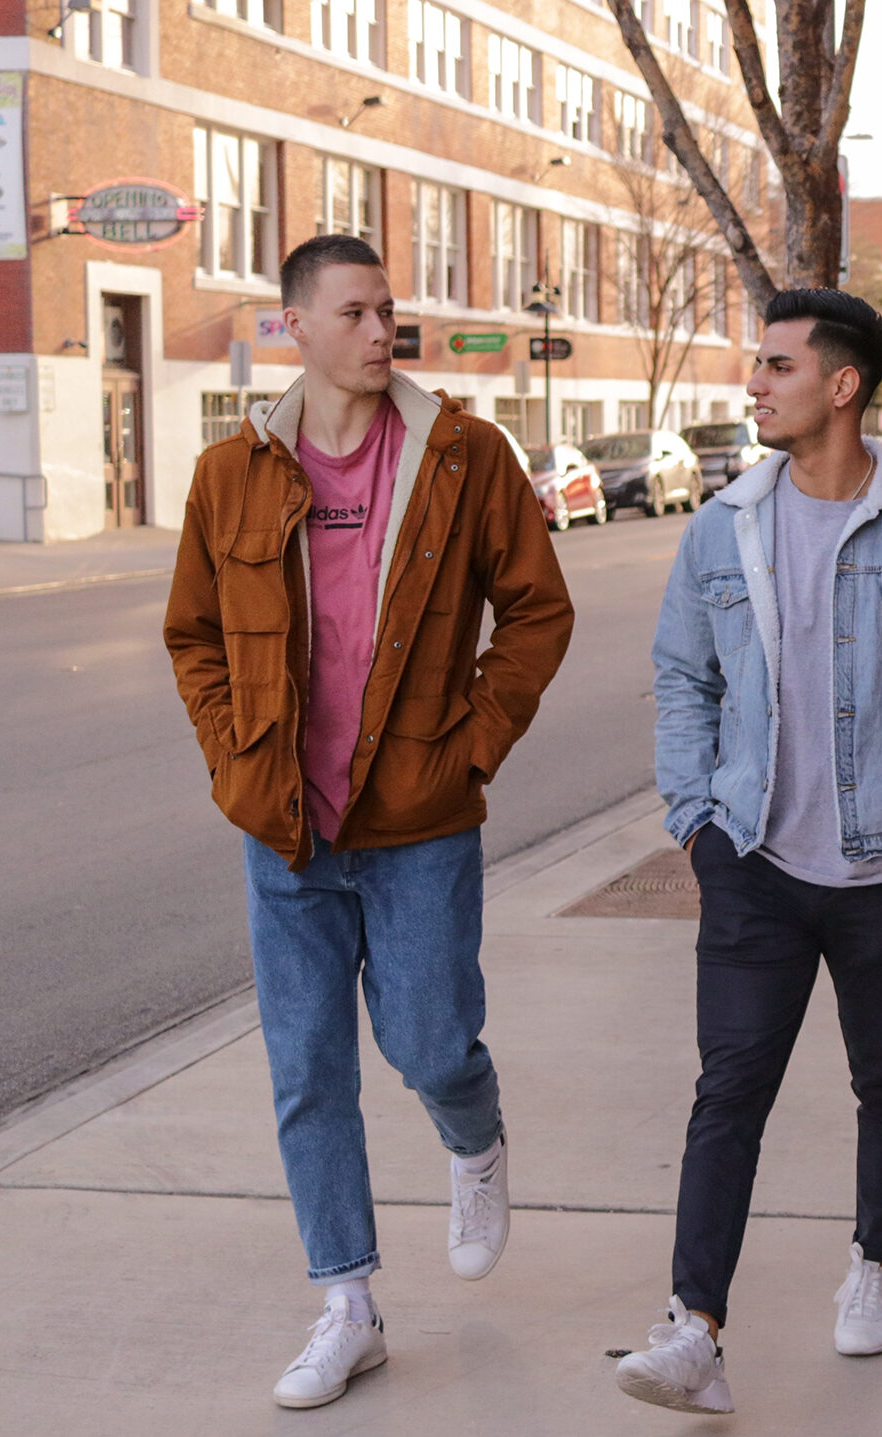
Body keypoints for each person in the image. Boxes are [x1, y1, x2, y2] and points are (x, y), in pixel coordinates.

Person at [163, 234, 573, 1409]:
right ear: (294, 324)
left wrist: (474, 743)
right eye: (353, 311)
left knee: (432, 1044)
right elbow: (193, 634)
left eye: (387, 310)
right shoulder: (231, 473)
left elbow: (537, 613)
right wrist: (234, 752)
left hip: (419, 822)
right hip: (285, 828)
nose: (378, 330)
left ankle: (474, 1142)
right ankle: (346, 1302)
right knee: (306, 1070)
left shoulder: (461, 456)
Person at [618, 288, 882, 1415]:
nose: (755, 384)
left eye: (776, 367)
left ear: (840, 387)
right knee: (727, 1090)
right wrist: (695, 823)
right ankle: (694, 1329)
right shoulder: (721, 523)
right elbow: (684, 678)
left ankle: (873, 1264)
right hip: (751, 863)